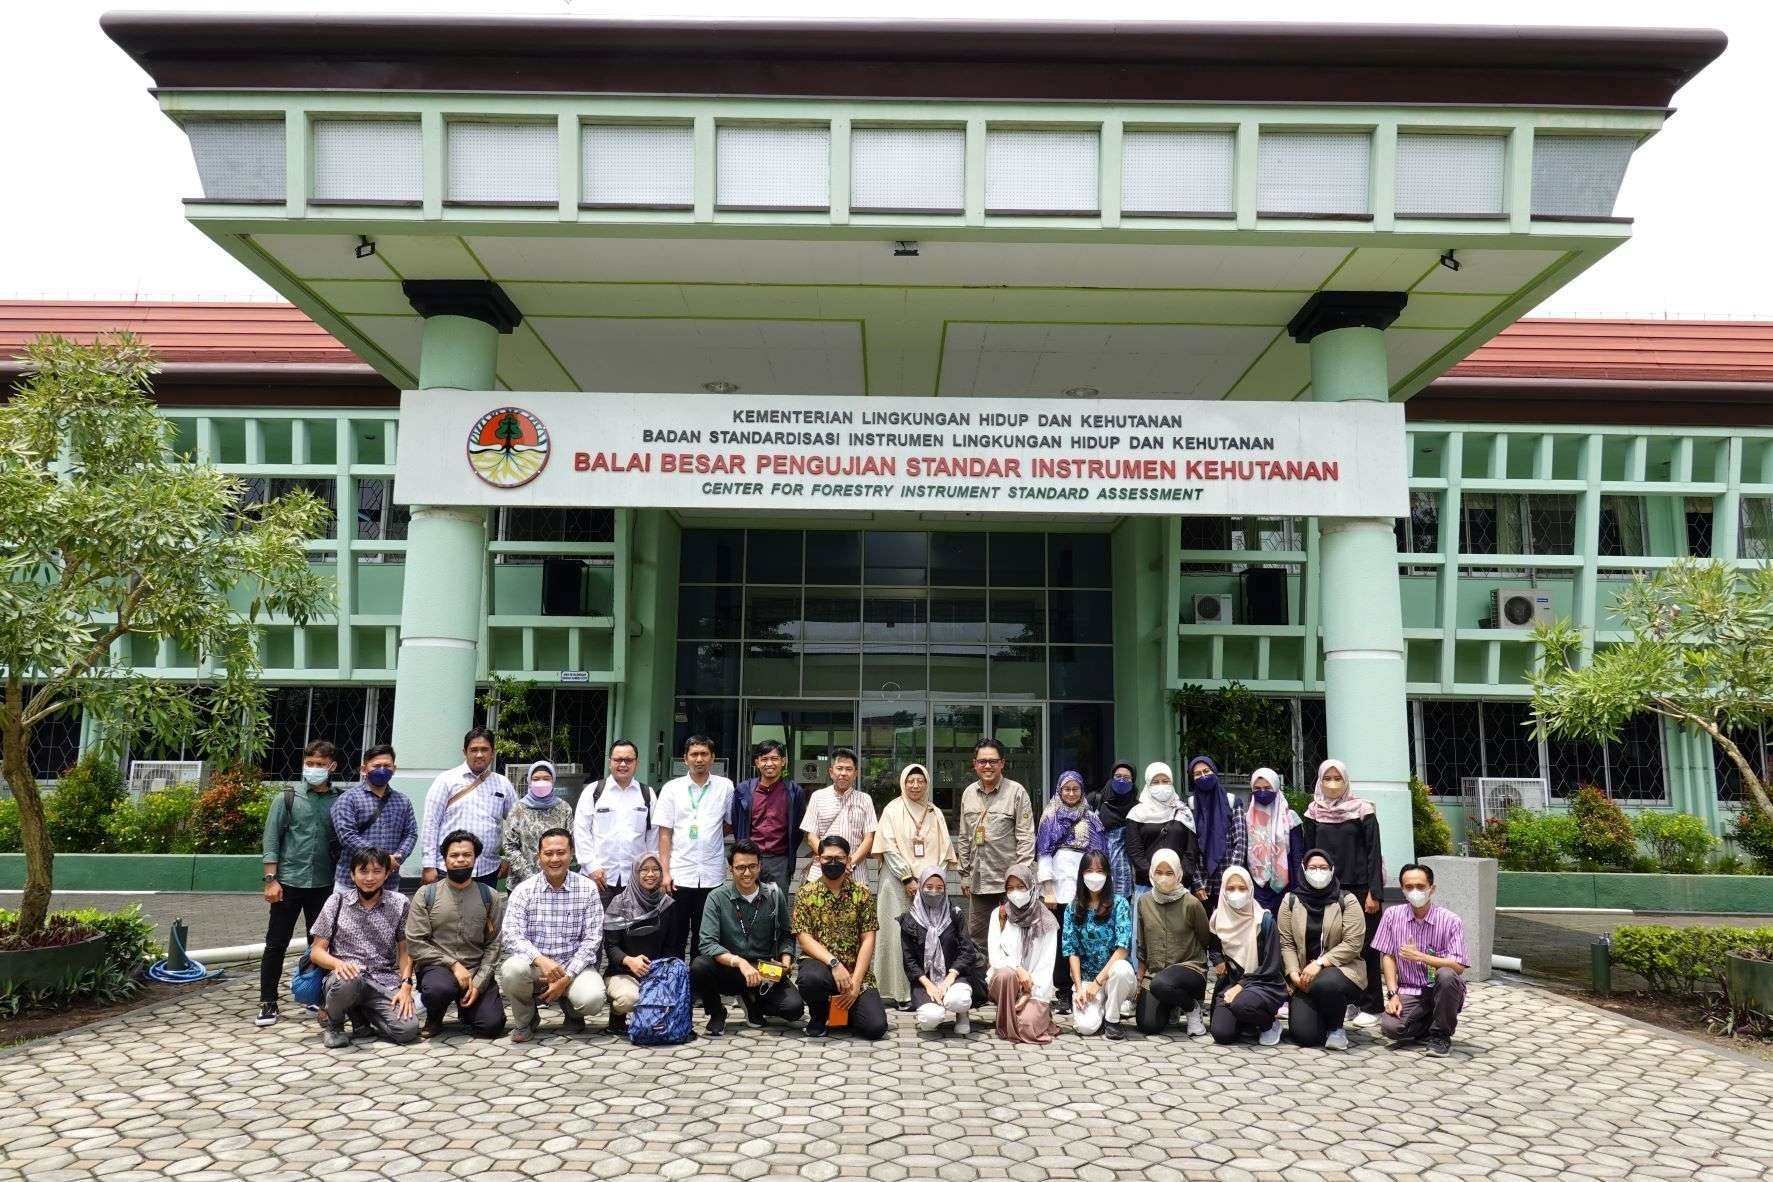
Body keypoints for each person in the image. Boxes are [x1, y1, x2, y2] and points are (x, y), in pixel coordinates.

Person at [256, 738, 341, 1027]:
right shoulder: (287, 798)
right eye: (309, 764)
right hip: (288, 883)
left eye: (320, 764)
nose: (314, 769)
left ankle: (313, 996)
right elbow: (271, 840)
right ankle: (268, 1001)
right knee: (276, 943)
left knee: (318, 944)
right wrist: (271, 880)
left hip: (324, 885)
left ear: (332, 766)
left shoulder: (339, 800)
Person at [498, 827, 608, 1042]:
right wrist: (540, 960)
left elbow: (592, 939)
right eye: (548, 853)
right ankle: (526, 1020)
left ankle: (573, 1012)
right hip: (535, 967)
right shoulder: (524, 890)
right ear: (538, 856)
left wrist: (567, 976)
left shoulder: (587, 888)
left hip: (573, 966)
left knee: (593, 998)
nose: (555, 859)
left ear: (571, 854)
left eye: (561, 852)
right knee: (511, 970)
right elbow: (511, 934)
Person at [1300, 758, 1385, 1028]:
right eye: (1327, 779)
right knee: (1332, 944)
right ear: (1319, 781)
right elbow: (1309, 854)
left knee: (1365, 946)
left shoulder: (1363, 810)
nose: (1333, 784)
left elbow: (1374, 852)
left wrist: (1375, 893)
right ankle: (1344, 1001)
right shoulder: (1313, 812)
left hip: (1359, 888)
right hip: (1325, 889)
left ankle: (1372, 1005)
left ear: (1346, 781)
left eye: (1338, 779)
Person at [307, 848, 420, 1048]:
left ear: (387, 874)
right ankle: (335, 1025)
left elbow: (405, 949)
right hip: (343, 978)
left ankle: (360, 1012)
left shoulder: (400, 903)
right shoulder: (336, 902)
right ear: (352, 874)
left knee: (407, 1030)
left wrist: (406, 985)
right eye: (363, 871)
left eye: (377, 871)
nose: (369, 878)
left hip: (382, 980)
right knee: (349, 980)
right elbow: (316, 952)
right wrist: (338, 964)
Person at [694, 840, 805, 1036]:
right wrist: (739, 963)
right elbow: (707, 943)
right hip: (730, 968)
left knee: (793, 1009)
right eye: (741, 868)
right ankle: (717, 1012)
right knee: (700, 966)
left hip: (765, 969)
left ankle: (752, 999)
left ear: (760, 866)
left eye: (752, 866)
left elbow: (787, 935)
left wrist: (786, 961)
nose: (747, 873)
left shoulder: (774, 894)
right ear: (731, 869)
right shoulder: (716, 897)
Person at [405, 829, 507, 1039]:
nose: (460, 860)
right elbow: (416, 943)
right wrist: (453, 964)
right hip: (437, 968)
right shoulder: (426, 894)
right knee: (438, 990)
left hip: (476, 968)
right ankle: (435, 1016)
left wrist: (479, 983)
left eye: (466, 855)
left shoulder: (490, 896)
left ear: (475, 858)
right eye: (454, 855)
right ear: (444, 859)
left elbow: (494, 944)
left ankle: (467, 1010)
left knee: (491, 1026)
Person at [874, 762, 955, 1008]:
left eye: (921, 780)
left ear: (927, 783)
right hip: (897, 883)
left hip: (930, 887)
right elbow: (888, 846)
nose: (915, 785)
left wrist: (932, 879)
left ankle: (929, 988)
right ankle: (899, 993)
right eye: (911, 780)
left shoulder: (935, 812)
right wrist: (907, 877)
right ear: (902, 783)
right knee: (897, 934)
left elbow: (944, 850)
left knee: (929, 934)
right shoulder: (892, 809)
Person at [792, 835, 888, 1040]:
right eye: (827, 858)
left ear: (849, 860)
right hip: (821, 966)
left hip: (855, 971)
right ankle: (818, 1016)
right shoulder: (806, 893)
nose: (833, 863)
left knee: (875, 1028)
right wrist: (834, 964)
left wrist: (855, 983)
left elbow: (868, 939)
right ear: (818, 859)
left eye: (839, 858)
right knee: (811, 979)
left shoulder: (861, 893)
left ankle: (841, 1011)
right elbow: (804, 938)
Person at [1373, 863, 1470, 1057]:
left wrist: (1420, 957)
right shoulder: (1392, 915)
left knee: (1447, 975)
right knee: (1390, 1028)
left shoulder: (1450, 920)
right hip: (1410, 989)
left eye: (1420, 886)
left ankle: (1441, 1035)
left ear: (1431, 888)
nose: (1415, 891)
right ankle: (1429, 1023)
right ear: (1402, 889)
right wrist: (1393, 994)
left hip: (1441, 988)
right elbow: (1388, 956)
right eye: (1409, 887)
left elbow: (1458, 966)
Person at [1277, 848, 1367, 1051]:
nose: (1318, 871)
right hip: (1303, 977)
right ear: (1303, 870)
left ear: (1332, 870)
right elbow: (1286, 942)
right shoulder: (1291, 900)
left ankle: (1336, 1029)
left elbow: (1353, 944)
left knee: (1325, 983)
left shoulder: (1347, 900)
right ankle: (1323, 1017)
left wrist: (1320, 963)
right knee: (1305, 1036)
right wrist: (1293, 973)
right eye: (1313, 867)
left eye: (1323, 867)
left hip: (1340, 971)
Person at [657, 734, 735, 959]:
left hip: (712, 876)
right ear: (685, 759)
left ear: (713, 758)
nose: (699, 759)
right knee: (676, 936)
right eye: (694, 754)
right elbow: (664, 834)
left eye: (704, 754)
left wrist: (709, 837)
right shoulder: (672, 789)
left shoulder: (725, 787)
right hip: (680, 875)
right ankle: (678, 986)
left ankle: (701, 988)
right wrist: (665, 871)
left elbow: (729, 824)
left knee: (706, 938)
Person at [1037, 769, 1107, 1011]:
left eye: (1075, 789)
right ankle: (1063, 990)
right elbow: (1044, 854)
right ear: (1059, 790)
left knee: (1084, 938)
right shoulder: (1050, 816)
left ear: (1082, 791)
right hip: (1058, 889)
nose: (1070, 793)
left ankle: (1086, 983)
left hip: (1086, 887)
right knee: (1060, 942)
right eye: (1066, 789)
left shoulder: (1092, 817)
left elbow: (1099, 854)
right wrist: (1048, 890)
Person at [956, 738, 1036, 948]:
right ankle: (983, 980)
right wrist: (964, 874)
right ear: (974, 764)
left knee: (1013, 934)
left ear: (1002, 763)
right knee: (979, 939)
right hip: (979, 880)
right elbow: (965, 836)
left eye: (993, 761)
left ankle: (1012, 980)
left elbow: (1026, 836)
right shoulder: (968, 793)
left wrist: (1021, 878)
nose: (987, 766)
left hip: (1009, 882)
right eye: (982, 761)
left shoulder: (1016, 792)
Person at [420, 727, 515, 888]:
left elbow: (516, 825)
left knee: (484, 913)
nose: (479, 754)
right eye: (474, 750)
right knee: (447, 913)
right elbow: (430, 823)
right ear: (465, 752)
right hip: (448, 869)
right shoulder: (446, 780)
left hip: (488, 870)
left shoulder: (502, 783)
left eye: (485, 749)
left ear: (493, 752)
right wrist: (428, 865)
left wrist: (509, 859)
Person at [1133, 849, 1211, 1038]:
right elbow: (1142, 943)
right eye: (1159, 872)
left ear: (1178, 874)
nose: (1163, 878)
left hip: (1189, 968)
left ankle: (1191, 1008)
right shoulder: (1144, 902)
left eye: (1169, 873)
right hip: (1156, 973)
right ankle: (1171, 1005)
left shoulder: (1191, 903)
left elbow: (1205, 938)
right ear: (1151, 873)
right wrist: (1140, 978)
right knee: (1147, 1025)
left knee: (1161, 985)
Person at [1207, 865, 1287, 1047]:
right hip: (1231, 982)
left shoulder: (1264, 921)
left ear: (1250, 889)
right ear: (1223, 891)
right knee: (1221, 1033)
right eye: (1231, 888)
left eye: (1242, 888)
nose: (1237, 893)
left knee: (1241, 1005)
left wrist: (1240, 987)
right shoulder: (1218, 918)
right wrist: (1218, 961)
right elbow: (1213, 947)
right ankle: (1247, 1021)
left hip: (1263, 983)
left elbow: (1271, 966)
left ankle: (1269, 1024)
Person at [899, 866, 984, 1036]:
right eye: (929, 887)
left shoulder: (955, 914)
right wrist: (929, 985)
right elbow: (909, 960)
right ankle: (935, 1008)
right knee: (930, 1020)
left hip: (955, 975)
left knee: (959, 1000)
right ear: (921, 887)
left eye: (939, 888)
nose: (934, 892)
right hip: (925, 980)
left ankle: (962, 1013)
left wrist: (949, 978)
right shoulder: (909, 919)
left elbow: (966, 950)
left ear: (945, 889)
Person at [572, 737, 657, 906]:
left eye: (628, 760)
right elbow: (581, 831)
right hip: (599, 879)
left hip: (635, 880)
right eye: (618, 760)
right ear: (610, 762)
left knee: (633, 930)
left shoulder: (647, 794)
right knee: (598, 930)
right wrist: (591, 867)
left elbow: (653, 835)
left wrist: (650, 871)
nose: (623, 764)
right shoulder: (593, 791)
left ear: (636, 763)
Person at [1061, 849, 1136, 1040]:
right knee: (1087, 1028)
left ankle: (1112, 1018)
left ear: (1108, 875)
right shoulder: (1072, 908)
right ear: (1081, 875)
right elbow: (1072, 950)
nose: (1095, 876)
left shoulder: (1120, 904)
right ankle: (1099, 1008)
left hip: (1111, 978)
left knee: (1122, 969)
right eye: (1089, 871)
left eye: (1100, 871)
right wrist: (1079, 988)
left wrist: (1098, 984)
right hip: (1086, 978)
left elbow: (1123, 948)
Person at [985, 863, 1060, 1045]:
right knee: (1005, 975)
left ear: (1031, 886)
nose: (1015, 893)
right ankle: (1007, 1016)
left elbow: (1046, 965)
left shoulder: (1047, 921)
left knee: (1025, 1026)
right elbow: (995, 956)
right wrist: (1018, 969)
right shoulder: (1000, 914)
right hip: (1006, 983)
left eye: (1020, 887)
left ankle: (1030, 1014)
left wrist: (1028, 992)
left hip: (1035, 988)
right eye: (1010, 888)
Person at [602, 852, 676, 1035]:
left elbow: (671, 945)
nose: (650, 874)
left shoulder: (666, 904)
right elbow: (611, 947)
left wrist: (662, 971)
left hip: (657, 970)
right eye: (644, 870)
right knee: (629, 998)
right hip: (622, 972)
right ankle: (617, 1016)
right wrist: (629, 961)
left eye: (655, 869)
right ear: (635, 873)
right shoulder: (620, 904)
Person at [330, 744, 417, 895]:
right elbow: (347, 836)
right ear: (364, 769)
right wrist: (383, 859)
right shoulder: (348, 799)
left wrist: (397, 858)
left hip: (389, 883)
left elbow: (411, 833)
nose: (382, 769)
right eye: (376, 766)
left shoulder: (403, 801)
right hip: (350, 883)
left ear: (394, 769)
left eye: (387, 765)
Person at [730, 739, 806, 894]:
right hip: (749, 859)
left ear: (783, 761)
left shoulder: (794, 791)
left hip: (780, 860)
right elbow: (737, 822)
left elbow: (798, 829)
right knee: (747, 904)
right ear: (757, 762)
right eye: (764, 759)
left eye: (774, 759)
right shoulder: (744, 790)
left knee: (776, 906)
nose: (769, 763)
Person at [800, 747, 877, 885]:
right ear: (831, 772)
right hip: (821, 872)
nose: (843, 773)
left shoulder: (865, 799)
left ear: (856, 773)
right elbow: (811, 837)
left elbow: (869, 839)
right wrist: (831, 863)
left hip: (855, 873)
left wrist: (848, 864)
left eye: (848, 769)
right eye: (839, 768)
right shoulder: (818, 797)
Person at [1185, 755, 1247, 911]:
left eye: (1206, 771)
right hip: (1203, 881)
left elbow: (1240, 842)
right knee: (1204, 930)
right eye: (1197, 773)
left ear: (1214, 771)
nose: (1203, 776)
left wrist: (1231, 878)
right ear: (1192, 778)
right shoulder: (1190, 805)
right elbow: (1189, 847)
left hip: (1229, 880)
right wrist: (1197, 882)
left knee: (1228, 930)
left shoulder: (1231, 801)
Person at [501, 760, 575, 888]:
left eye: (546, 778)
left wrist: (554, 874)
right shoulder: (518, 809)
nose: (541, 782)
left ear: (553, 781)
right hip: (521, 883)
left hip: (556, 881)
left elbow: (570, 843)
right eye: (536, 779)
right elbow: (509, 846)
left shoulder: (564, 809)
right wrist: (530, 877)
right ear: (529, 781)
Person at [1246, 768, 1304, 915]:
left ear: (1276, 788)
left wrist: (1298, 888)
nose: (1262, 792)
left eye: (1267, 788)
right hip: (1255, 884)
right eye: (1257, 788)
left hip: (1285, 883)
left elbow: (1298, 855)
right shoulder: (1247, 818)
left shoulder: (1290, 817)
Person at [1092, 760, 1139, 904]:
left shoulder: (1138, 809)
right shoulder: (1098, 802)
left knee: (1121, 916)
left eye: (1127, 778)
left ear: (1133, 781)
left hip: (1124, 875)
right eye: (1118, 776)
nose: (1122, 780)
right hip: (1098, 871)